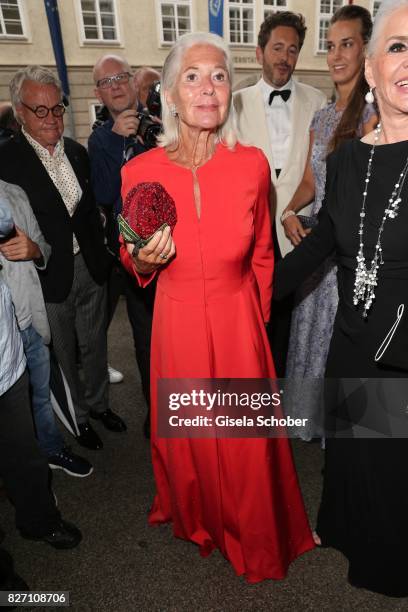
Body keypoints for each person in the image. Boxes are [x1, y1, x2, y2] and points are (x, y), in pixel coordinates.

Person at [120, 32, 314, 583]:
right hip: (176, 320)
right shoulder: (139, 173)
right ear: (171, 96)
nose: (209, 89)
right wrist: (145, 261)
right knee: (194, 434)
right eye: (193, 77)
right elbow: (130, 254)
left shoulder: (252, 165)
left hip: (237, 319)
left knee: (245, 443)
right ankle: (198, 516)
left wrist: (257, 321)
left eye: (220, 76)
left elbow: (261, 252)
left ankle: (252, 532)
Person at [274, 0, 408, 597]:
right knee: (358, 468)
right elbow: (320, 242)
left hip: (402, 352)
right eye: (398, 46)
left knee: (394, 476)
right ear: (373, 70)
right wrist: (246, 292)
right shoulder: (348, 156)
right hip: (352, 344)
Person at [0, 65, 125, 451]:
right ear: (20, 112)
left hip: (89, 266)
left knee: (95, 345)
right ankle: (79, 418)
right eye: (41, 110)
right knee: (64, 354)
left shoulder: (75, 150)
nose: (52, 118)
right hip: (47, 275)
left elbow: (89, 211)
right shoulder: (7, 160)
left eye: (58, 109)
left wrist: (103, 255)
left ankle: (100, 404)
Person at [280, 5, 377, 440]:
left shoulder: (376, 117)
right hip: (315, 254)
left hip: (350, 258)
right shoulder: (322, 116)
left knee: (343, 348)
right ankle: (311, 422)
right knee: (310, 340)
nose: (337, 55)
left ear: (366, 51)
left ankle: (347, 432)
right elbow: (307, 182)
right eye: (332, 45)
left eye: (348, 44)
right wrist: (287, 212)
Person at [234, 12, 327, 376]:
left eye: (292, 50)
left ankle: (282, 400)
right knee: (251, 319)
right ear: (259, 52)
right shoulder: (236, 103)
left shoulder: (318, 101)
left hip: (296, 230)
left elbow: (317, 171)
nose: (284, 57)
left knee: (289, 320)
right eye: (277, 48)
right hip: (248, 231)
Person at [0, 202, 81, 550]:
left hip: (8, 352)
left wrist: (33, 249)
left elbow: (38, 245)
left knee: (24, 450)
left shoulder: (9, 194)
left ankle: (40, 521)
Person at [0, 179, 92, 477]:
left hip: (28, 319)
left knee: (39, 396)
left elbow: (45, 248)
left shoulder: (14, 191)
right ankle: (25, 479)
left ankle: (51, 451)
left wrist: (35, 250)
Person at [89, 54, 156, 432]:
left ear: (132, 82)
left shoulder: (161, 124)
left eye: (120, 77)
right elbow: (103, 191)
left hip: (174, 248)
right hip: (133, 258)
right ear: (99, 92)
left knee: (186, 340)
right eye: (105, 81)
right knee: (146, 341)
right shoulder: (100, 139)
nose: (114, 85)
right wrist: (117, 141)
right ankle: (157, 411)